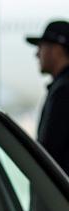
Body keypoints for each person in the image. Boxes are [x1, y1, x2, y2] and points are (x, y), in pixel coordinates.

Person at [27, 19, 69, 176]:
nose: (37, 54)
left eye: (41, 47)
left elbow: (48, 154)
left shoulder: (63, 91)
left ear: (57, 50)